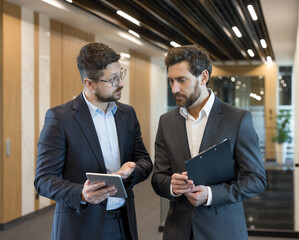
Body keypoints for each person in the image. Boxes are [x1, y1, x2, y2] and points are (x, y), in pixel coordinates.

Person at [34, 42, 153, 240]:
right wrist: (81, 193)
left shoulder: (127, 114)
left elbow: (145, 161)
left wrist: (131, 173)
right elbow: (43, 179)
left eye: (120, 75)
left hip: (123, 223)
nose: (120, 83)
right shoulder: (60, 118)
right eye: (112, 79)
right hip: (81, 226)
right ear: (89, 83)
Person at [151, 45, 267, 240]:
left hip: (223, 230)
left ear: (203, 77)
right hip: (178, 230)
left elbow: (256, 179)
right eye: (171, 81)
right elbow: (158, 178)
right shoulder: (166, 121)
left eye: (182, 80)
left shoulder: (237, 119)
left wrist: (211, 194)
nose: (174, 88)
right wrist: (172, 186)